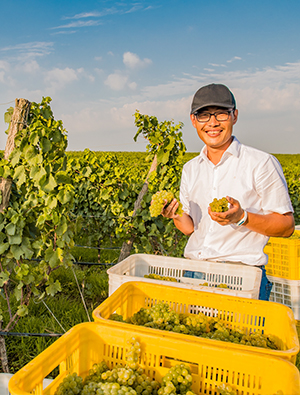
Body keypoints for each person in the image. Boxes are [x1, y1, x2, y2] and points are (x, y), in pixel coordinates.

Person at [162, 83, 295, 300]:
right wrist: (175, 215)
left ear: (234, 116)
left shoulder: (261, 163)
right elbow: (189, 229)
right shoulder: (190, 169)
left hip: (241, 277)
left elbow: (286, 226)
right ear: (193, 120)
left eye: (221, 114)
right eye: (204, 115)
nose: (212, 123)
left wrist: (242, 217)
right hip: (193, 273)